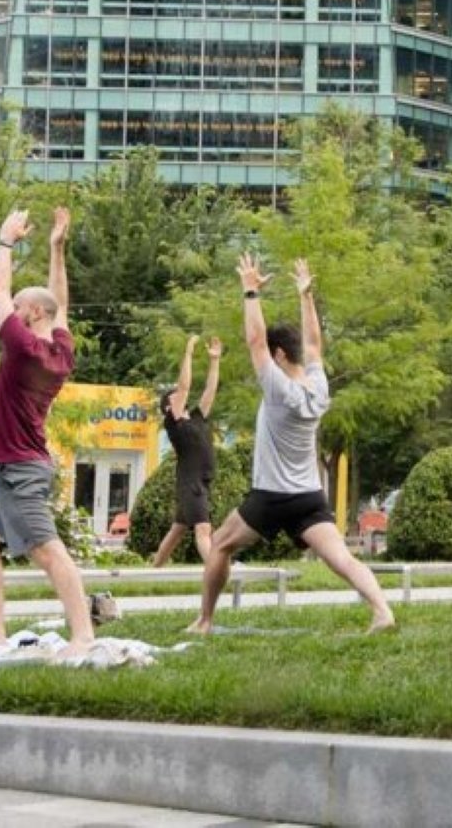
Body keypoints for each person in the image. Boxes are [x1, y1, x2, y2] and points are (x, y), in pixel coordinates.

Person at [188, 255, 395, 635]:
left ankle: (204, 621)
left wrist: (250, 292)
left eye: (272, 353)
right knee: (342, 559)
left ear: (280, 355)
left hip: (270, 497)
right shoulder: (318, 386)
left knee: (219, 546)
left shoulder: (279, 388)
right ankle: (382, 612)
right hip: (308, 496)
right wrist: (306, 294)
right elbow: (314, 343)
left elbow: (255, 341)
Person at [0, 206, 94, 655]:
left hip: (18, 468)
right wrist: (56, 248)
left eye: (20, 306)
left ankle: (83, 635)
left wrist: (6, 239)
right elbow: (62, 305)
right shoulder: (59, 351)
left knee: (46, 550)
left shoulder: (21, 347)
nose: (11, 310)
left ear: (32, 312)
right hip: (19, 465)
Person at [152, 335, 222, 566]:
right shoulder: (174, 422)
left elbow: (210, 391)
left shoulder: (196, 418)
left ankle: (153, 570)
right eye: (175, 397)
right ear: (168, 407)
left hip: (200, 481)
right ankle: (216, 570)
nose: (181, 396)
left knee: (177, 531)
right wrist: (189, 354)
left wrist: (214, 361)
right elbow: (184, 387)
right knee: (203, 528)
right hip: (191, 482)